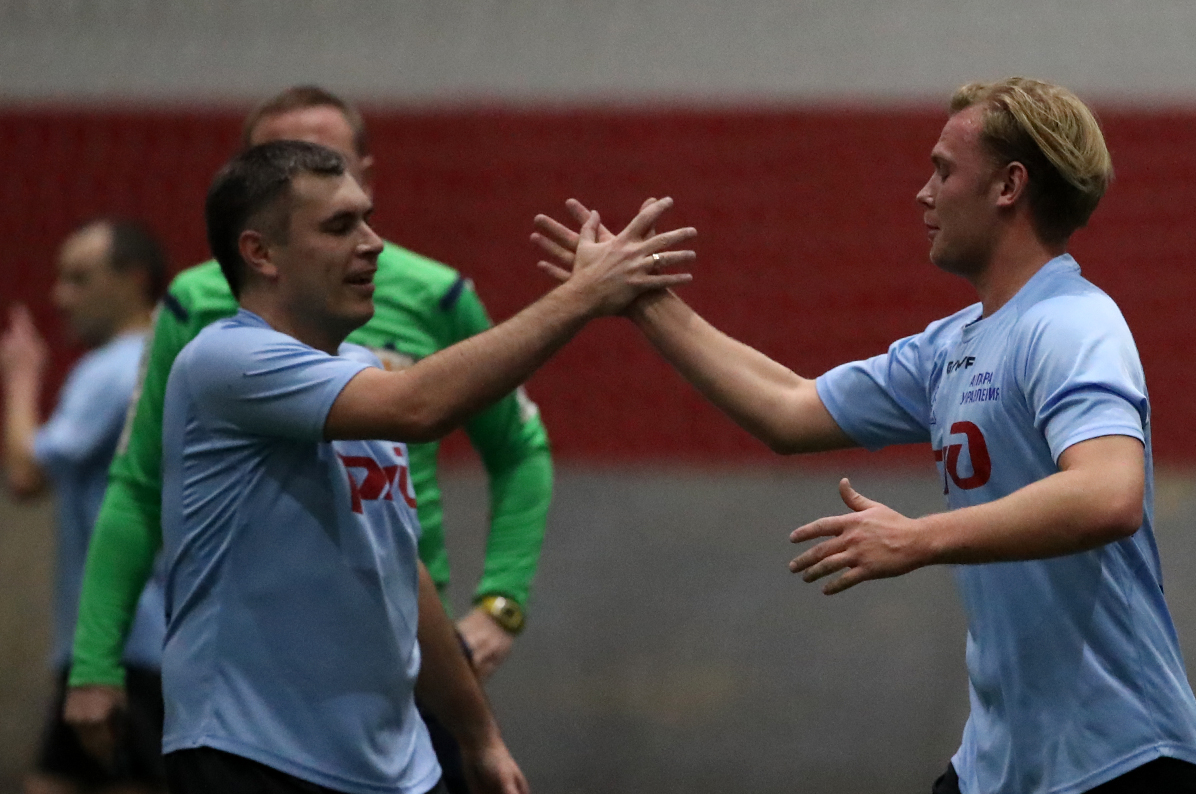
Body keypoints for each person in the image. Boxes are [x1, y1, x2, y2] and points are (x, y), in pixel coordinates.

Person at [532, 78, 1196, 794]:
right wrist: (638, 296)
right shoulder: (953, 344)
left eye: (944, 171)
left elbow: (1108, 495)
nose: (923, 194)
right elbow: (788, 408)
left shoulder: (1072, 323)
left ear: (1009, 186)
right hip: (1003, 765)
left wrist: (919, 538)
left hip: (1122, 758)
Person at [156, 140, 690, 794]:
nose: (373, 243)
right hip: (251, 753)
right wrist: (582, 296)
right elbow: (421, 405)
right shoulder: (224, 361)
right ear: (260, 253)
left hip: (395, 768)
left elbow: (397, 570)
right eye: (339, 226)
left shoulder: (359, 373)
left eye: (368, 218)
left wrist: (478, 734)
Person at [66, 86, 555, 792]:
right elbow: (138, 488)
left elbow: (415, 541)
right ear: (258, 240)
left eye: (336, 175)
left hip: (401, 697)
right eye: (276, 161)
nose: (368, 243)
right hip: (257, 728)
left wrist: (498, 611)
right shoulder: (209, 329)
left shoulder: (423, 307)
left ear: (366, 177)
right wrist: (93, 660)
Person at [1, 220, 169, 794]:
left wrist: (22, 377)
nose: (59, 296)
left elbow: (26, 474)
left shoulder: (115, 369)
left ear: (133, 279)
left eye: (79, 279)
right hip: (140, 641)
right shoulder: (165, 361)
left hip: (122, 644)